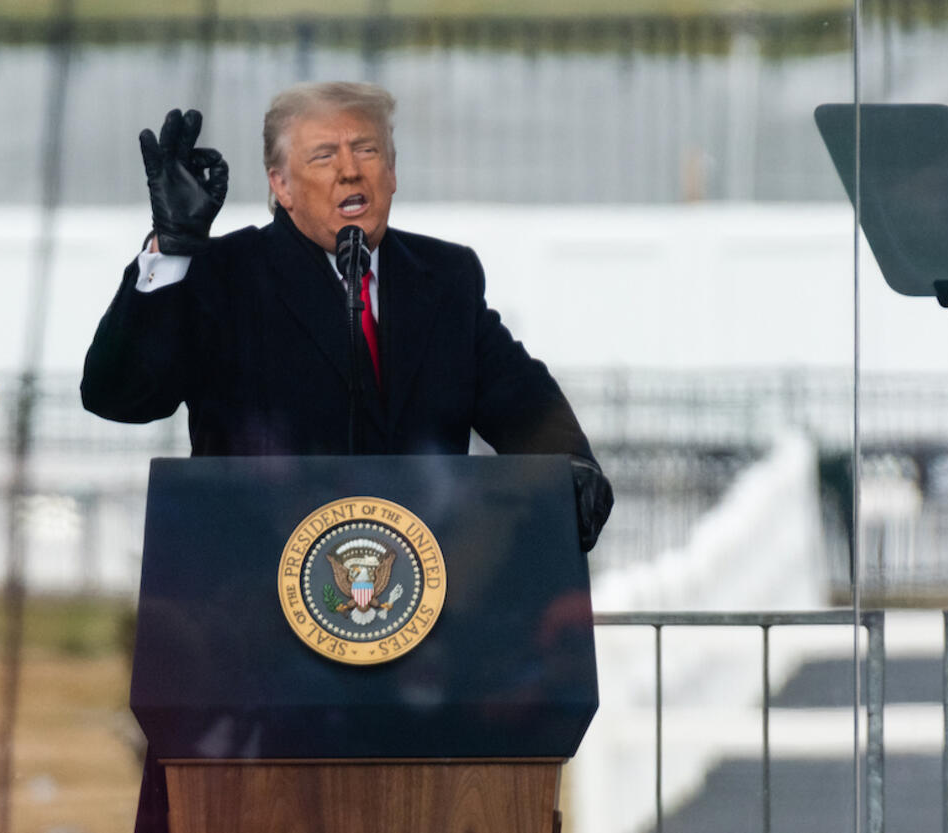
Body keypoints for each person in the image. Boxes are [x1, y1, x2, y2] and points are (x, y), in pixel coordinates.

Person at [80, 81, 612, 833]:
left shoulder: (446, 281)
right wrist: (172, 249)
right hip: (256, 664)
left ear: (393, 172)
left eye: (367, 151)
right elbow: (119, 394)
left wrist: (572, 468)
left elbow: (522, 400)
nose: (350, 171)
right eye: (324, 155)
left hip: (429, 659)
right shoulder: (225, 279)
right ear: (280, 184)